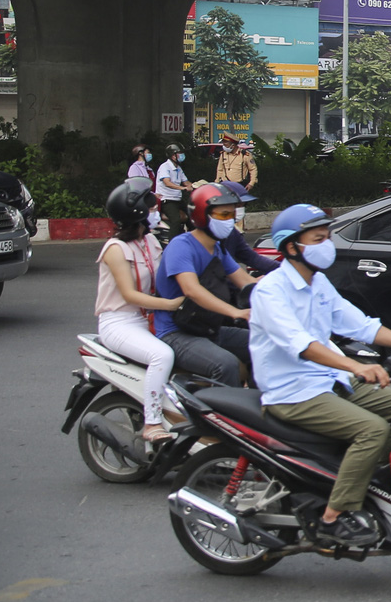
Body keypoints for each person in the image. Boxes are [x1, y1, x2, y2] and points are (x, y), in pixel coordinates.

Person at [251, 205, 391, 549]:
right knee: (373, 429)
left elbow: (361, 326)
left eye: (327, 237)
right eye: (318, 239)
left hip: (330, 379)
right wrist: (356, 366)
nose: (327, 245)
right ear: (292, 246)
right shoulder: (270, 291)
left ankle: (357, 479)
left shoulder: (319, 283)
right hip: (293, 390)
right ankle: (332, 518)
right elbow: (304, 346)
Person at [93, 179, 188, 446]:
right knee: (161, 355)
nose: (155, 210)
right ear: (138, 214)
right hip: (119, 322)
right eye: (151, 207)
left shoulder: (149, 241)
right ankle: (152, 423)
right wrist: (171, 305)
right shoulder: (115, 249)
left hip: (148, 318)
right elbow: (129, 295)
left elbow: (167, 276)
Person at [153, 183, 256, 386]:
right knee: (225, 365)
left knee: (266, 343)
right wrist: (235, 312)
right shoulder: (181, 246)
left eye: (232, 215)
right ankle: (222, 414)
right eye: (223, 215)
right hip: (176, 332)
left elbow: (246, 282)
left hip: (205, 327)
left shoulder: (217, 248)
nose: (231, 221)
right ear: (202, 215)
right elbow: (192, 290)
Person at [213, 181, 276, 274]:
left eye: (243, 205)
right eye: (237, 205)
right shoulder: (194, 242)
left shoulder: (232, 233)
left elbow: (253, 259)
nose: (240, 209)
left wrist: (291, 270)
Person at [154, 144, 193, 233]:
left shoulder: (178, 168)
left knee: (193, 215)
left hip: (177, 199)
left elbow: (186, 182)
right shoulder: (165, 167)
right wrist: (183, 188)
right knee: (176, 220)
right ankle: (172, 243)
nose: (182, 155)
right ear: (173, 155)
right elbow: (167, 182)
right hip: (167, 200)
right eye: (179, 153)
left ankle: (192, 238)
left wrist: (197, 186)